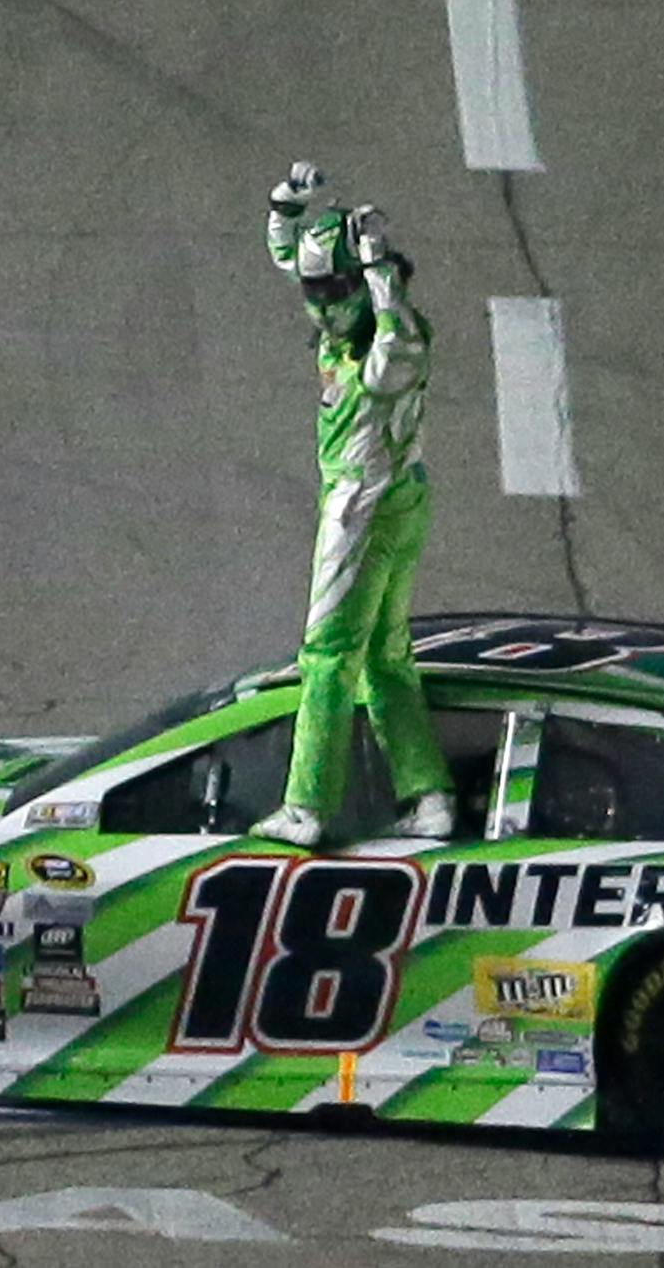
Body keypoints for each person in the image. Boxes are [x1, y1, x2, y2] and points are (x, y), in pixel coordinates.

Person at [249, 161, 456, 848]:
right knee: (386, 656)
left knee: (327, 653)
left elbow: (393, 356)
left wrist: (377, 272)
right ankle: (428, 796)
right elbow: (285, 250)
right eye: (315, 289)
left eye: (333, 288)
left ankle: (307, 805)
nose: (319, 302)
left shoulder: (392, 336)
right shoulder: (348, 318)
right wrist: (289, 202)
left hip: (362, 507)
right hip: (397, 498)